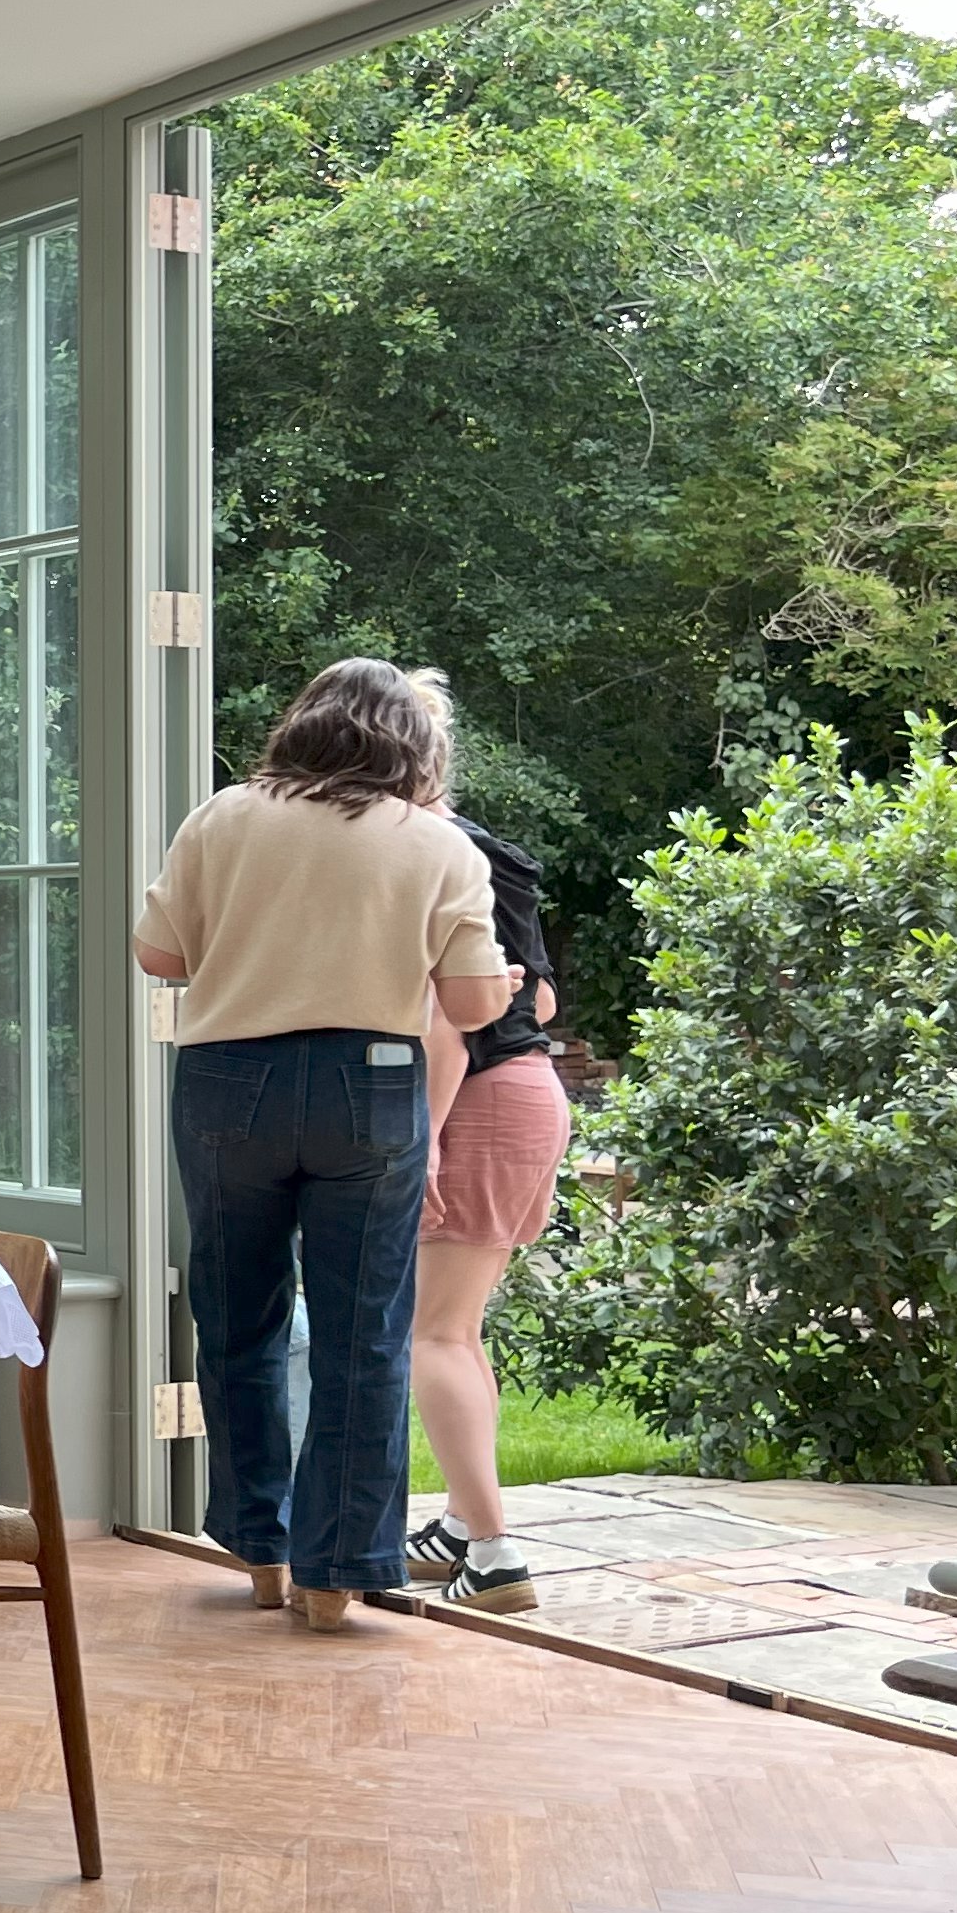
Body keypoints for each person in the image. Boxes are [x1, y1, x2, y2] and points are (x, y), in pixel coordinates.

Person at [133, 658, 514, 1629]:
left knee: (238, 1317)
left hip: (228, 1080)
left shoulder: (223, 816)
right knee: (363, 1332)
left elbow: (159, 954)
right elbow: (473, 1006)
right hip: (368, 1083)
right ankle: (334, 1574)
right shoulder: (434, 843)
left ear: (303, 723)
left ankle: (259, 1546)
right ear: (412, 745)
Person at [398, 673, 572, 1615]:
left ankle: (497, 1556)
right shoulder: (486, 851)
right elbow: (539, 998)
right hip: (531, 1096)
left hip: (477, 1104)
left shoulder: (428, 855)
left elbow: (448, 1026)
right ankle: (465, 1526)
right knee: (457, 1329)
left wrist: (424, 1141)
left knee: (432, 1333)